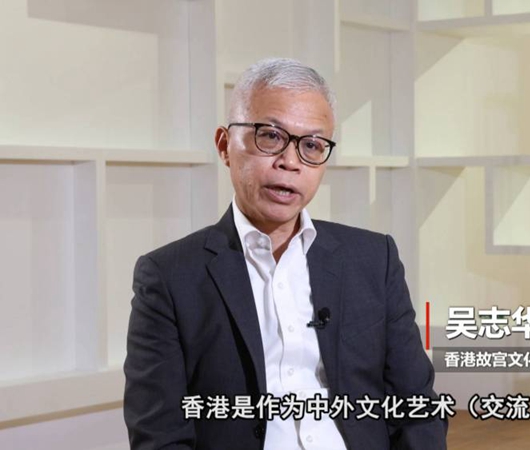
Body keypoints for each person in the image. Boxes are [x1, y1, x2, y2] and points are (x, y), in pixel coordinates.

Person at [123, 58, 447, 449]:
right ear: (225, 146)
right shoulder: (169, 276)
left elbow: (417, 406)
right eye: (271, 136)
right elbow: (160, 436)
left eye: (311, 145)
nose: (290, 162)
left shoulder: (374, 259)